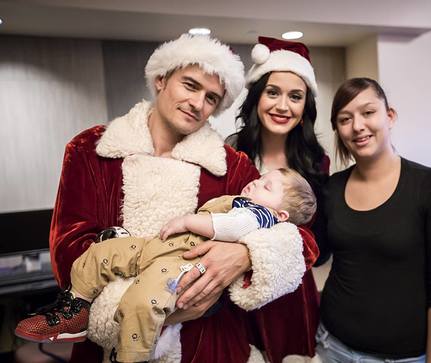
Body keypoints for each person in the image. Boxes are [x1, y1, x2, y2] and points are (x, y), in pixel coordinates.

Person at [41, 33, 319, 363]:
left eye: (212, 98)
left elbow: (299, 239)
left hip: (209, 346)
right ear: (161, 79)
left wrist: (246, 255)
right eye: (190, 85)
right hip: (106, 343)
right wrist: (147, 310)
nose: (198, 103)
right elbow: (69, 252)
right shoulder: (91, 150)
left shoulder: (230, 165)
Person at [16, 168, 316, 362]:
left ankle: (132, 357)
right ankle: (75, 309)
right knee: (102, 253)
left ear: (281, 214)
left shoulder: (259, 215)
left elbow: (233, 227)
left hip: (183, 262)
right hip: (160, 247)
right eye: (261, 178)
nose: (256, 182)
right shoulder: (245, 201)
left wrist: (188, 220)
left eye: (267, 186)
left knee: (142, 300)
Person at [315, 77, 431, 363]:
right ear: (338, 129)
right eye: (345, 119)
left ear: (390, 116)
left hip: (401, 357)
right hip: (330, 345)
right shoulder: (331, 188)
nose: (357, 125)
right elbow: (318, 255)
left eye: (368, 113)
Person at [226, 36, 329, 362]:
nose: (283, 106)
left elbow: (321, 246)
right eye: (273, 93)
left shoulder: (317, 162)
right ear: (257, 97)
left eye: (295, 97)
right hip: (235, 293)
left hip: (292, 296)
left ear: (304, 109)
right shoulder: (231, 155)